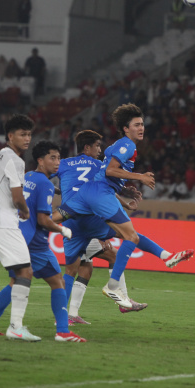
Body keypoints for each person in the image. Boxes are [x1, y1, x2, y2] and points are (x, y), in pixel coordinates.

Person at [57, 104, 194, 308]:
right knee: (130, 236)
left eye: (142, 124)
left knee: (54, 220)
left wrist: (123, 191)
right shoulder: (127, 145)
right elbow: (111, 171)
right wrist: (139, 177)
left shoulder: (115, 147)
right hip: (99, 194)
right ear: (125, 128)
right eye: (136, 124)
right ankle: (113, 286)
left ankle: (166, 256)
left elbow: (107, 171)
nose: (141, 128)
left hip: (92, 194)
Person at [0, 141, 86, 342]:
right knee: (58, 281)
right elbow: (43, 220)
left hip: (17, 237)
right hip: (35, 242)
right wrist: (62, 229)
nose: (57, 162)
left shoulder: (27, 176)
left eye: (58, 158)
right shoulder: (45, 184)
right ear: (40, 160)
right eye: (52, 158)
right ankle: (63, 331)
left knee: (15, 282)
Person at [56, 130, 147, 322]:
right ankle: (123, 299)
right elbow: (101, 193)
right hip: (88, 221)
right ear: (87, 147)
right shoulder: (100, 166)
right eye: (97, 146)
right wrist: (125, 194)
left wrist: (56, 190)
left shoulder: (63, 163)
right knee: (112, 255)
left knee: (83, 268)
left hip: (69, 220)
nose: (100, 150)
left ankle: (69, 315)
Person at [0, 114, 40, 341]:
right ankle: (16, 327)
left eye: (29, 134)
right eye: (22, 134)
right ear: (10, 136)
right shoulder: (16, 160)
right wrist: (25, 209)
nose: (27, 138)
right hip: (3, 223)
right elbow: (16, 197)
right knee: (24, 272)